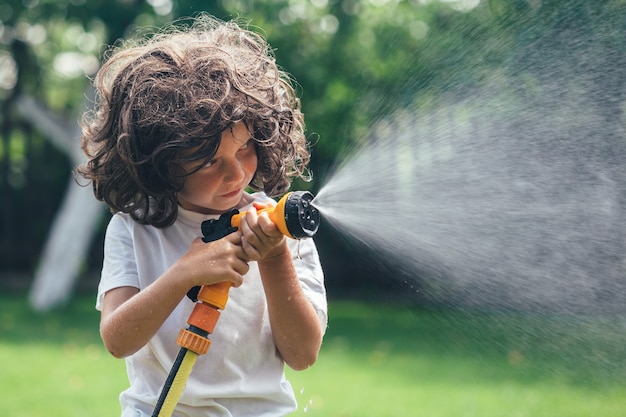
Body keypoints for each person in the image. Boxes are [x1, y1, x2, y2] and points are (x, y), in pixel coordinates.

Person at [77, 14, 327, 417]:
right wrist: (184, 272)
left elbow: (302, 354)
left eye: (245, 148)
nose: (235, 172)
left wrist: (275, 256)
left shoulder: (280, 225)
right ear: (159, 162)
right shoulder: (133, 229)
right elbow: (117, 341)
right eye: (210, 161)